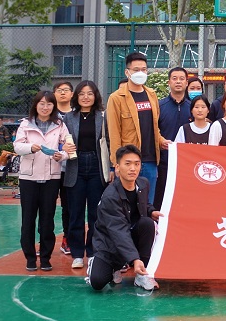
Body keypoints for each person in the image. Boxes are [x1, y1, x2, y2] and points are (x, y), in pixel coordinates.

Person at [88, 145, 162, 292]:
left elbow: (143, 204)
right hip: (109, 243)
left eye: (137, 164)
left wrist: (151, 211)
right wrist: (134, 259)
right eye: (127, 164)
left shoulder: (143, 184)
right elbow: (118, 231)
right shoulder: (110, 197)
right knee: (98, 282)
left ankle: (142, 275)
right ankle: (103, 264)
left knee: (147, 223)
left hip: (130, 236)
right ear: (117, 167)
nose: (132, 168)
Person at [13, 91, 69, 271]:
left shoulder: (60, 125)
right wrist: (31, 147)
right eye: (42, 104)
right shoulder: (25, 124)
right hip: (28, 178)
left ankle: (45, 258)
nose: (45, 107)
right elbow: (17, 146)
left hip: (51, 178)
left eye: (49, 104)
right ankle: (30, 258)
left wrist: (62, 155)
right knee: (28, 220)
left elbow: (68, 147)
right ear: (35, 105)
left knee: (47, 220)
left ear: (54, 106)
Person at [106, 52, 167, 206]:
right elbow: (114, 133)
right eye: (136, 69)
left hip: (150, 161)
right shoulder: (116, 98)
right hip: (128, 162)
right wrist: (116, 164)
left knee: (147, 205)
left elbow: (154, 126)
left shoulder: (151, 95)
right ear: (127, 72)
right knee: (128, 206)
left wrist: (161, 141)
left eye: (144, 69)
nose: (141, 73)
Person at [62, 81, 106, 270]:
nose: (86, 97)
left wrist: (112, 168)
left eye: (89, 93)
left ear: (95, 96)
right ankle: (77, 254)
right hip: (75, 165)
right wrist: (63, 147)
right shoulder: (68, 118)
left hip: (97, 165)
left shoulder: (103, 117)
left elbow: (108, 142)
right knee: (76, 212)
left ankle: (94, 252)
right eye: (82, 94)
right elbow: (61, 141)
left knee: (96, 213)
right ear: (76, 97)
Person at [157, 67, 190, 208]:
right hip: (163, 161)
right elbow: (153, 130)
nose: (178, 82)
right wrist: (161, 141)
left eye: (182, 79)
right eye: (174, 78)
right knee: (161, 199)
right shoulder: (159, 106)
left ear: (186, 83)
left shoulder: (193, 108)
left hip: (187, 163)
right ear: (169, 82)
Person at [54, 81, 74, 256]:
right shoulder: (47, 114)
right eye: (59, 90)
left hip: (70, 169)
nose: (62, 93)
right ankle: (44, 240)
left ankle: (67, 238)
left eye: (66, 90)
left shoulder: (76, 115)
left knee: (68, 206)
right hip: (50, 168)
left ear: (72, 94)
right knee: (46, 206)